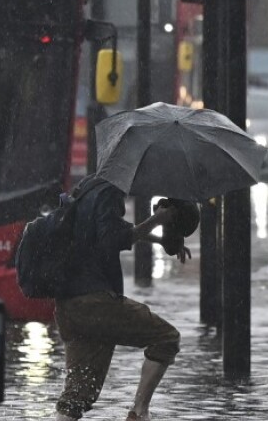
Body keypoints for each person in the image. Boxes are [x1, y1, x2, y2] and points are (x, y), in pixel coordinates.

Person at [53, 175, 191, 421]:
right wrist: (158, 219)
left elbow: (112, 230)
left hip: (69, 306)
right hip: (96, 302)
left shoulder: (86, 188)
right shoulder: (110, 193)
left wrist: (160, 239)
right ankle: (139, 412)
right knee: (167, 338)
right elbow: (113, 239)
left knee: (75, 398)